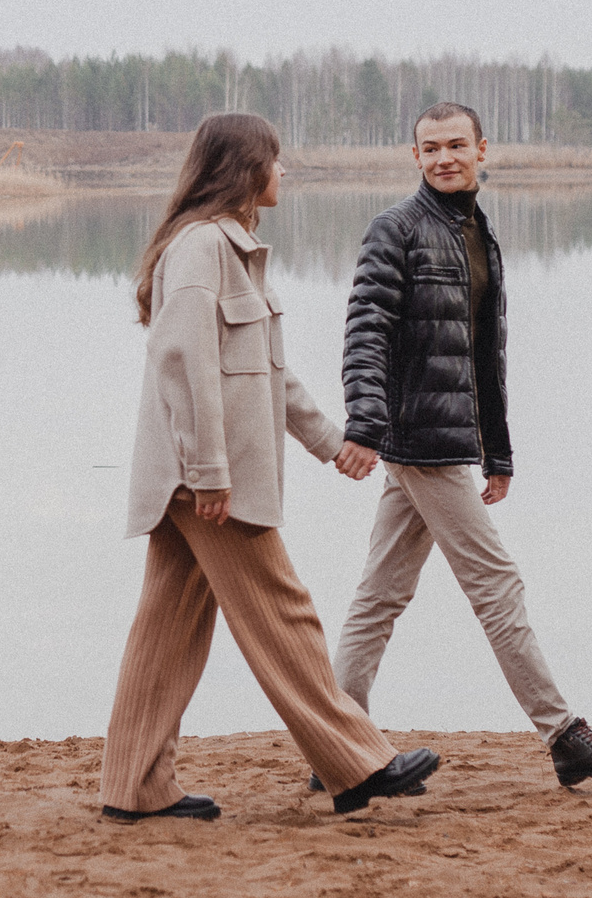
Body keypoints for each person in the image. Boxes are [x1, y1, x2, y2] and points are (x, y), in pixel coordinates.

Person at [101, 112, 441, 822]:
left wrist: (332, 441)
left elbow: (269, 377)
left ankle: (133, 789)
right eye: (275, 160)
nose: (284, 172)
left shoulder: (232, 249)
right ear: (244, 170)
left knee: (166, 631)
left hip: (199, 479)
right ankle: (357, 762)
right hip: (205, 483)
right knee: (285, 614)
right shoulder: (200, 251)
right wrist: (210, 472)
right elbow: (184, 366)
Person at [328, 102, 592, 789]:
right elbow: (365, 334)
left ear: (482, 149)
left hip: (445, 439)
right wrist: (365, 423)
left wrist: (497, 451)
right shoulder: (397, 229)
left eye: (455, 145)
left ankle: (337, 746)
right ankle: (565, 735)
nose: (443, 157)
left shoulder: (475, 231)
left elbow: (482, 354)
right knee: (497, 582)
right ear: (414, 157)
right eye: (430, 147)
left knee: (379, 595)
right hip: (419, 440)